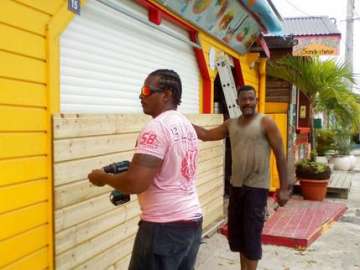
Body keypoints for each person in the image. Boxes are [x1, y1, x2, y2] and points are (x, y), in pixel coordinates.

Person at [88, 69, 202, 270]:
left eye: (147, 90)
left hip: (163, 229)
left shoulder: (156, 127)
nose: (141, 95)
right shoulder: (186, 125)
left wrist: (103, 177)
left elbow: (135, 183)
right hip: (191, 223)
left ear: (166, 94)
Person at [193, 85, 290, 270]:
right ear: (237, 102)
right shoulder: (231, 124)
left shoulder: (266, 123)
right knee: (238, 236)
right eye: (244, 99)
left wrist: (284, 188)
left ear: (256, 100)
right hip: (236, 188)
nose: (247, 103)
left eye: (251, 99)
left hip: (256, 188)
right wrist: (181, 122)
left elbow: (280, 155)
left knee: (252, 236)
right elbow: (206, 135)